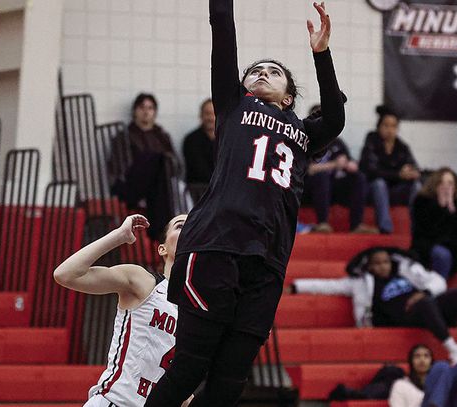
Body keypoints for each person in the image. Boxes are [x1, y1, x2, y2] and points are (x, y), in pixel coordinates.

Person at [145, 1, 345, 406]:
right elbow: (222, 27)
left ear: (289, 97)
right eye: (255, 71)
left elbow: (336, 118)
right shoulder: (234, 105)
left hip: (268, 260)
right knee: (191, 365)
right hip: (217, 245)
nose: (262, 74)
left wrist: (321, 53)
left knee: (230, 381)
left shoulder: (305, 132)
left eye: (274, 71)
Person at [53, 214, 192, 407]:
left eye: (194, 226)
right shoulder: (144, 282)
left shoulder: (197, 313)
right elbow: (65, 274)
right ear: (162, 248)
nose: (189, 230)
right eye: (180, 226)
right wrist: (119, 235)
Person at [292, 247, 457, 363]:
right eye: (377, 263)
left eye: (386, 262)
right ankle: (454, 350)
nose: (383, 266)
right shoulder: (361, 282)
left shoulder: (406, 271)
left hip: (428, 307)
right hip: (404, 317)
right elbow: (328, 286)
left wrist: (425, 292)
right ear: (370, 266)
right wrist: (296, 286)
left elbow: (437, 281)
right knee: (425, 304)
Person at [108, 94, 181, 240]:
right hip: (131, 186)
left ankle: (160, 232)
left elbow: (176, 166)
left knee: (161, 165)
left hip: (158, 187)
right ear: (135, 111)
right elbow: (120, 169)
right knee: (157, 160)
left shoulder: (162, 136)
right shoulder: (124, 136)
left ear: (155, 112)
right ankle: (162, 232)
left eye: (150, 108)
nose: (146, 112)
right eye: (142, 107)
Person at [304, 104, 377, 234]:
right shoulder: (305, 141)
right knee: (322, 176)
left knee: (359, 177)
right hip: (311, 187)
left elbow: (349, 162)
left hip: (333, 186)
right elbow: (308, 169)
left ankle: (356, 225)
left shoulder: (336, 141)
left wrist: (350, 165)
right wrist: (334, 165)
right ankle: (323, 223)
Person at [411, 167, 457, 291]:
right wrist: (440, 208)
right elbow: (425, 229)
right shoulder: (422, 201)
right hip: (429, 244)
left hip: (456, 246)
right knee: (442, 255)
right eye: (442, 182)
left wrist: (452, 209)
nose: (446, 186)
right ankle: (438, 293)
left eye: (450, 183)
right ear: (435, 184)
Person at [359, 105, 420, 234]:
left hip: (395, 191)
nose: (389, 130)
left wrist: (410, 171)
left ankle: (417, 228)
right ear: (379, 126)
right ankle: (385, 228)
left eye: (393, 126)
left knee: (417, 186)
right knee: (379, 183)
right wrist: (398, 174)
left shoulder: (402, 146)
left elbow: (414, 167)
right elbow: (371, 170)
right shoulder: (372, 140)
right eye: (386, 125)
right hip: (375, 191)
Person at [182, 99, 216, 203]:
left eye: (213, 114)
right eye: (207, 114)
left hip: (221, 190)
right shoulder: (191, 140)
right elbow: (199, 170)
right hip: (196, 193)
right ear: (201, 116)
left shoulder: (227, 139)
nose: (210, 118)